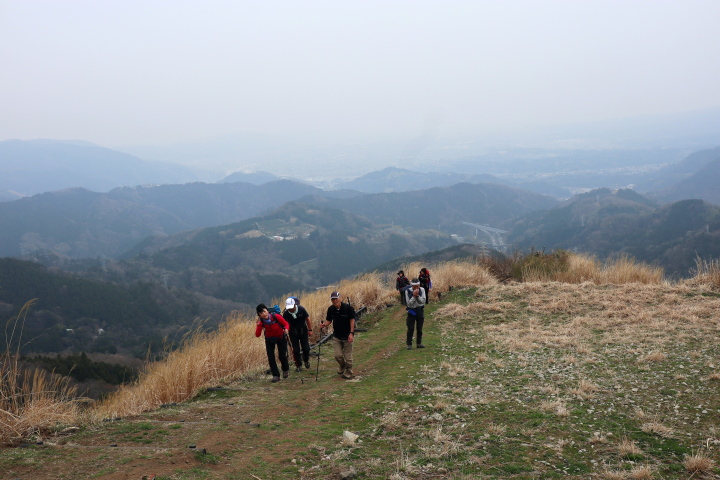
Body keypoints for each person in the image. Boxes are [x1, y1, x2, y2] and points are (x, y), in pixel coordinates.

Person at [320, 291, 356, 379]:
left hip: (347, 335)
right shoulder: (331, 309)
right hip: (336, 335)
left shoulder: (348, 308)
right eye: (333, 299)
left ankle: (349, 371)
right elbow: (329, 320)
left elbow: (352, 320)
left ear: (340, 298)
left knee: (348, 356)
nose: (335, 301)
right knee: (337, 355)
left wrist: (351, 333)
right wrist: (324, 324)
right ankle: (342, 365)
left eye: (336, 298)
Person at [255, 303, 290, 382]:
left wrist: (286, 329)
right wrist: (259, 325)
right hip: (269, 340)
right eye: (261, 313)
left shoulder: (275, 316)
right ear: (259, 315)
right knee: (271, 357)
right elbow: (257, 335)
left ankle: (285, 369)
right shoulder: (261, 322)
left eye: (264, 311)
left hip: (281, 337)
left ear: (267, 310)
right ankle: (276, 375)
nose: (263, 314)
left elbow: (286, 324)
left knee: (282, 356)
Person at [283, 297, 313, 372]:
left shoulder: (301, 309)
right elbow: (284, 323)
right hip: (293, 333)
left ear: (294, 305)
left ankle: (306, 360)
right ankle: (299, 365)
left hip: (303, 331)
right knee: (296, 350)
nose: (290, 309)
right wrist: (285, 330)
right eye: (288, 308)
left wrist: (310, 330)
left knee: (306, 348)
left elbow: (307, 319)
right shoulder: (286, 313)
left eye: (291, 307)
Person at [404, 279, 427, 349]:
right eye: (415, 286)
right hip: (412, 311)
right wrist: (413, 296)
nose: (417, 288)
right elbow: (408, 304)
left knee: (419, 328)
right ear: (412, 286)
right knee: (410, 328)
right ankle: (409, 344)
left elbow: (423, 301)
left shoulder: (422, 290)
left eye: (418, 286)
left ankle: (419, 343)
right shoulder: (407, 291)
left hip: (420, 310)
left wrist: (417, 296)